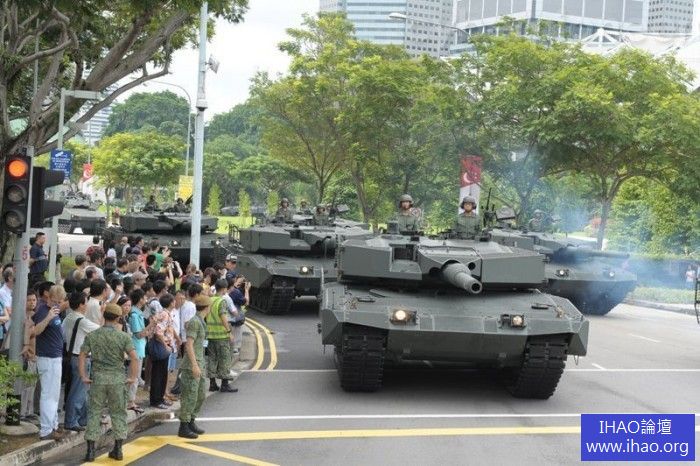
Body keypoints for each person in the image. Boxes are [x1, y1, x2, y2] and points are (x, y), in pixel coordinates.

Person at [79, 304, 138, 462]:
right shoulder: (123, 337)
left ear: (104, 315)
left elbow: (82, 355)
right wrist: (132, 377)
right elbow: (134, 358)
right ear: (118, 318)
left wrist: (83, 375)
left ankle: (90, 451)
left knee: (94, 412)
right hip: (117, 380)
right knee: (118, 413)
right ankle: (118, 449)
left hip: (98, 379)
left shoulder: (93, 335)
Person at [32, 283, 66, 441]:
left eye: (59, 302)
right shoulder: (43, 311)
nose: (57, 304)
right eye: (54, 301)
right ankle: (46, 429)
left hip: (55, 356)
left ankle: (53, 425)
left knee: (54, 394)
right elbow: (36, 331)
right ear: (48, 297)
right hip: (48, 357)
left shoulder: (55, 310)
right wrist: (48, 317)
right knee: (48, 394)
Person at [62, 292, 100, 432]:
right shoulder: (82, 321)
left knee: (80, 390)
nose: (87, 305)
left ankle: (83, 419)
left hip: (71, 356)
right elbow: (101, 330)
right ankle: (71, 421)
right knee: (78, 392)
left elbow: (63, 336)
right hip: (81, 358)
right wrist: (102, 314)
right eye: (86, 302)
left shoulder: (68, 318)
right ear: (81, 305)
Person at [178, 294, 212, 439]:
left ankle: (191, 420)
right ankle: (184, 426)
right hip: (192, 364)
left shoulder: (201, 321)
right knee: (190, 396)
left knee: (200, 394)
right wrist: (194, 365)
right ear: (207, 307)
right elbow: (189, 345)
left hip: (200, 362)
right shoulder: (195, 322)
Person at [206, 279, 238, 393]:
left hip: (211, 335)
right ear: (224, 289)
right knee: (225, 359)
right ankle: (225, 384)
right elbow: (223, 317)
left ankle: (212, 384)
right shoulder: (222, 301)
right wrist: (229, 332)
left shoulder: (210, 300)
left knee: (212, 359)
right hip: (221, 336)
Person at [127, 289, 152, 414]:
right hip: (136, 348)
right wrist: (151, 325)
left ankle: (131, 400)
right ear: (140, 299)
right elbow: (139, 334)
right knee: (134, 377)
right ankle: (130, 402)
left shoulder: (138, 313)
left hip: (139, 348)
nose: (145, 300)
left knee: (135, 377)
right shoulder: (135, 315)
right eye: (144, 297)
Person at [20, 291, 39, 422]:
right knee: (25, 385)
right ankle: (22, 413)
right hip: (27, 355)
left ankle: (28, 411)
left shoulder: (36, 316)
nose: (32, 302)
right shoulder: (23, 317)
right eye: (29, 300)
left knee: (32, 385)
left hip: (35, 355)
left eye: (34, 300)